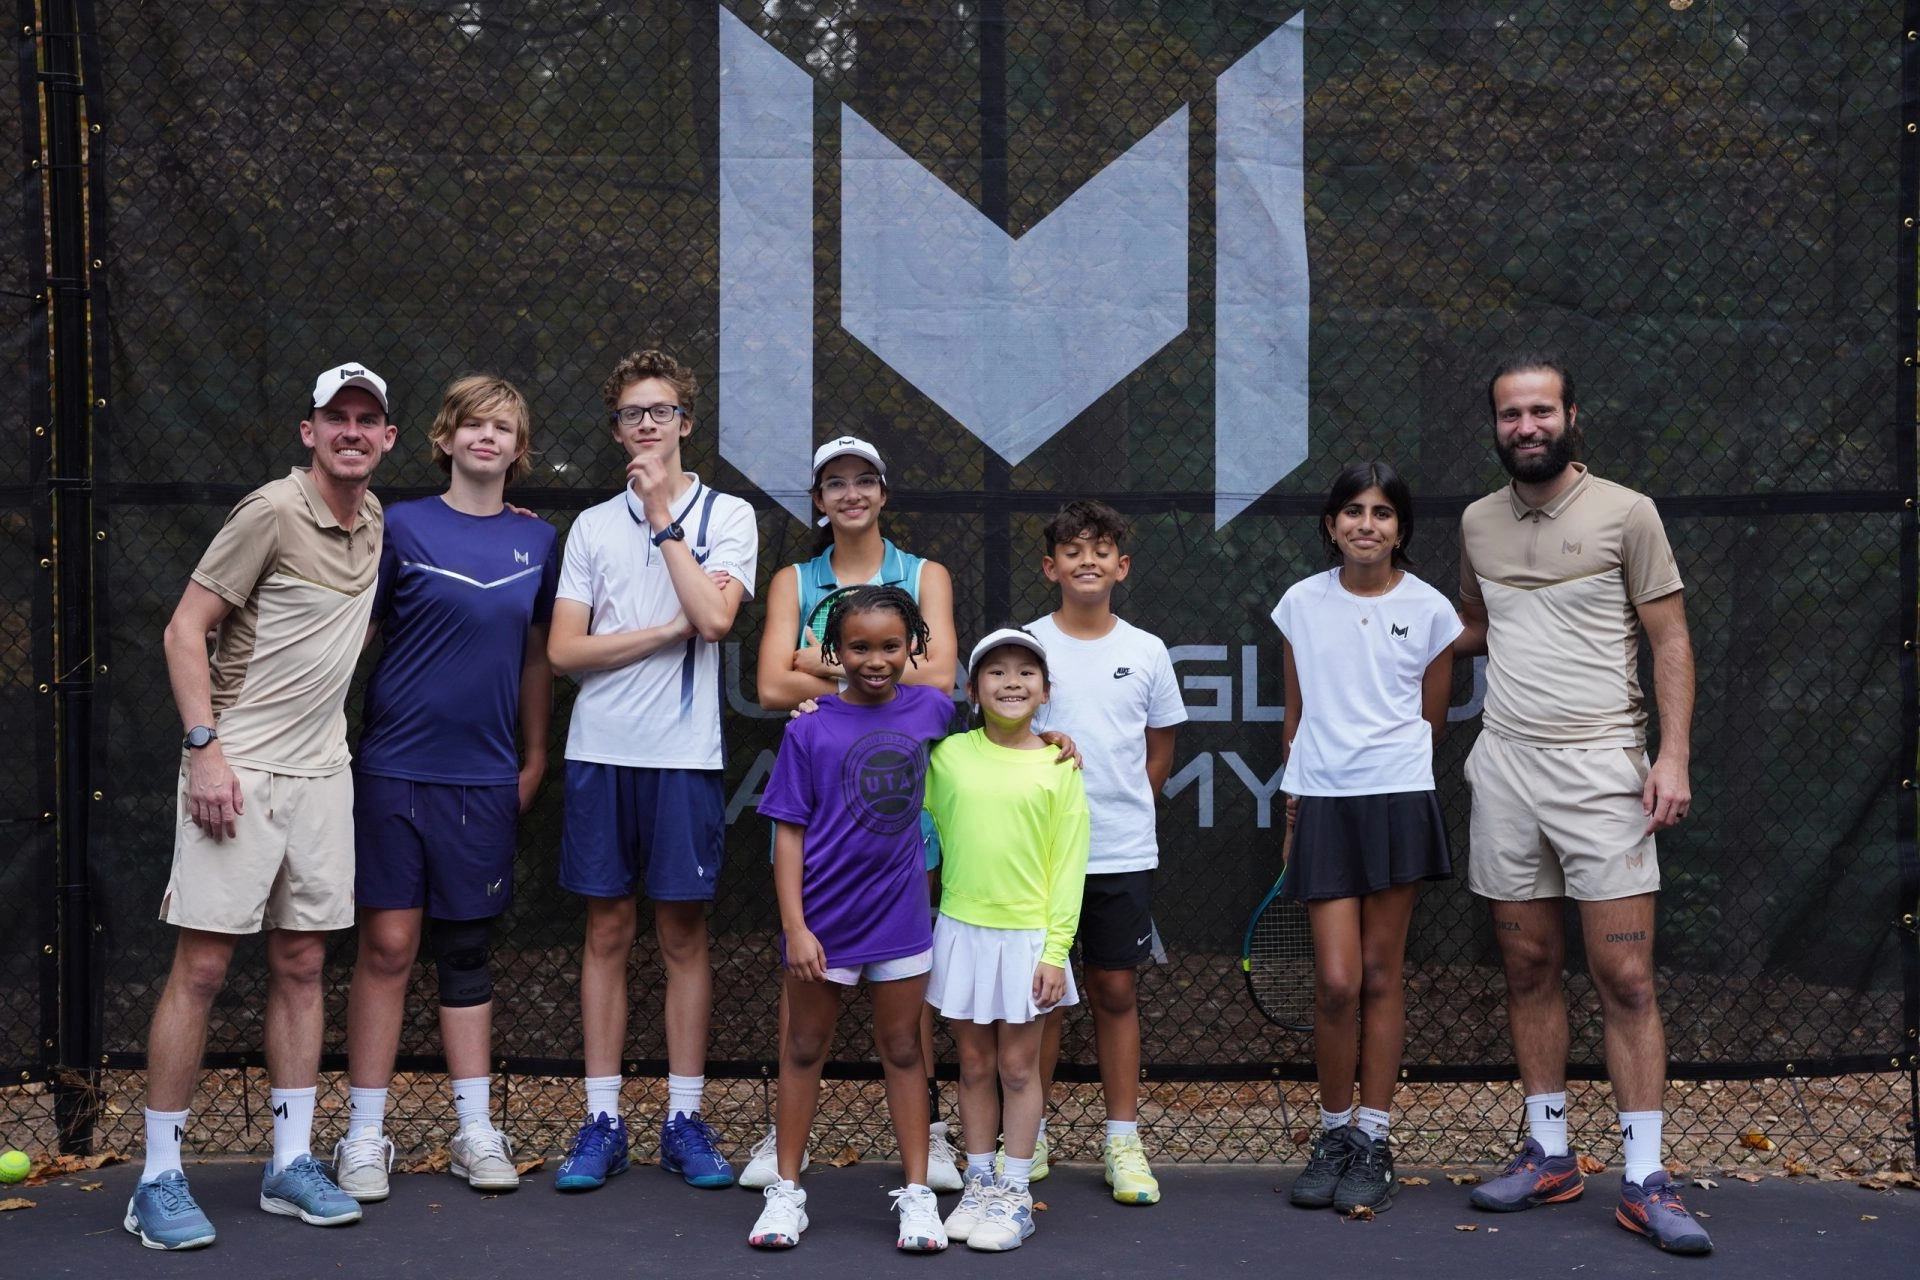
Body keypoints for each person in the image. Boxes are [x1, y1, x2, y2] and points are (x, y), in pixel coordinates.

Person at [123, 364, 398, 1249]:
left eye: (368, 420)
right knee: (202, 970)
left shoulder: (376, 521)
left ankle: (289, 1165)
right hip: (235, 769)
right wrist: (205, 752)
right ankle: (157, 1181)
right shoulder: (270, 512)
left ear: (388, 438)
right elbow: (183, 628)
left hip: (324, 776)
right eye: (336, 418)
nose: (352, 431)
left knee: (304, 964)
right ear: (308, 431)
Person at [1455, 355, 1711, 1255]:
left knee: (1627, 980)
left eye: (1541, 410)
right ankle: (1551, 1155)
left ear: (1571, 415)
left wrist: (1669, 756)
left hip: (1605, 768)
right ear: (1494, 425)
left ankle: (1646, 1177)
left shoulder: (1626, 513)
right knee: (1528, 971)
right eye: (1510, 414)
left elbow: (1669, 636)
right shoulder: (1477, 522)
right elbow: (1474, 627)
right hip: (1507, 771)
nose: (1526, 426)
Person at [333, 375, 558, 1202]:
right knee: (388, 947)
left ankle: (474, 1132)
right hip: (394, 767)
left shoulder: (539, 542)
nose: (488, 438)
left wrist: (534, 758)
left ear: (518, 448)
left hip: (487, 778)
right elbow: (357, 638)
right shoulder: (399, 526)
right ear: (446, 437)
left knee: (465, 951)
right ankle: (363, 1138)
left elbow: (537, 656)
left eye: (503, 427)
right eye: (474, 424)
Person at [545, 347, 758, 1192]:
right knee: (605, 932)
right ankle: (602, 1119)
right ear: (615, 428)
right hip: (600, 754)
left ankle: (682, 1118)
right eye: (632, 413)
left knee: (682, 936)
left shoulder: (728, 515)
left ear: (686, 421)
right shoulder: (593, 527)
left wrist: (666, 521)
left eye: (660, 411)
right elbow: (566, 650)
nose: (645, 425)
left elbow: (715, 618)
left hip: (684, 759)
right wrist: (665, 631)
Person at [745, 434, 961, 1195]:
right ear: (818, 500)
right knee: (804, 993)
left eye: (864, 480)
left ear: (883, 492)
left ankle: (927, 1136)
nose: (850, 494)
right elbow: (771, 685)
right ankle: (785, 1147)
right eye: (834, 483)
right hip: (822, 804)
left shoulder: (924, 574)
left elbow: (938, 677)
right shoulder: (792, 579)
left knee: (907, 1000)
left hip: (904, 815)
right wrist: (850, 676)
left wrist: (821, 662)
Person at [1272, 462, 1459, 1215]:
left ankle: (1375, 1139)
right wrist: (1292, 813)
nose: (1367, 524)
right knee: (1337, 982)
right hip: (1321, 802)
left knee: (1381, 977)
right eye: (1352, 510)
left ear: (1401, 529)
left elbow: (1432, 719)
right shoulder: (1300, 604)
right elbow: (1295, 716)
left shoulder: (1433, 609)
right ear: (1331, 525)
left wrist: (1386, 768)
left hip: (1398, 801)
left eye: (1383, 512)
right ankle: (1334, 1132)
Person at [1026, 499, 1186, 1206]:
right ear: (1050, 566)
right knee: (1040, 997)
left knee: (1115, 990)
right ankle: (1027, 1135)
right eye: (1072, 549)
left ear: (1122, 567)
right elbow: (1004, 741)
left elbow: (1159, 747)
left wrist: (1124, 807)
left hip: (1121, 851)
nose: (1086, 560)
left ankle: (1122, 1139)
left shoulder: (1146, 650)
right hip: (1037, 856)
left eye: (1101, 550)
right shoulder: (1024, 647)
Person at [925, 629, 1091, 1253]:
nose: (1012, 682)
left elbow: (1069, 865)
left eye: (1027, 672)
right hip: (961, 931)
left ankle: (1016, 1194)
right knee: (973, 1064)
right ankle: (980, 1182)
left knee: (1019, 1068)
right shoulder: (947, 757)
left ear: (1046, 692)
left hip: (1029, 940)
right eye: (996, 673)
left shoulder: (1059, 764)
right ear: (973, 690)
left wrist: (1055, 949)